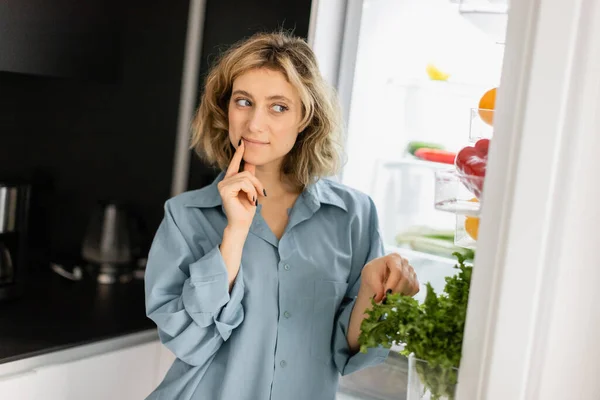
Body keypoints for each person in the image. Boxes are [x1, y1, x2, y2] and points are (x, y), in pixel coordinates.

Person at [144, 31, 419, 400]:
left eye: (278, 107)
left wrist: (372, 291)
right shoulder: (185, 216)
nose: (255, 123)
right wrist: (235, 235)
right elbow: (188, 342)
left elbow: (353, 354)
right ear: (226, 110)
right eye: (244, 102)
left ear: (305, 116)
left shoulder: (354, 215)